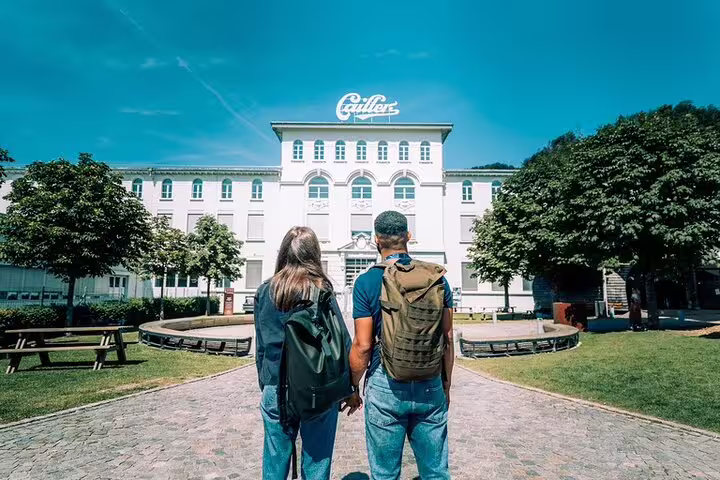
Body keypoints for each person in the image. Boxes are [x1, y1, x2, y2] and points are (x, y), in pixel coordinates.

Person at [347, 211, 454, 479]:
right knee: (436, 473)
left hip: (386, 385)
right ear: (408, 237)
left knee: (385, 474)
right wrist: (446, 385)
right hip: (430, 381)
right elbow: (448, 339)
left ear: (376, 241)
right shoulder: (437, 279)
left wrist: (353, 387)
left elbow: (362, 345)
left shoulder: (366, 281)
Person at [254, 226, 355, 480]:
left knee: (274, 462)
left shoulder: (265, 290)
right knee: (317, 462)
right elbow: (342, 341)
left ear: (284, 252)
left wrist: (265, 383)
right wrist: (349, 387)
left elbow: (261, 347)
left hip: (275, 385)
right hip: (316, 387)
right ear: (314, 255)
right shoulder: (321, 290)